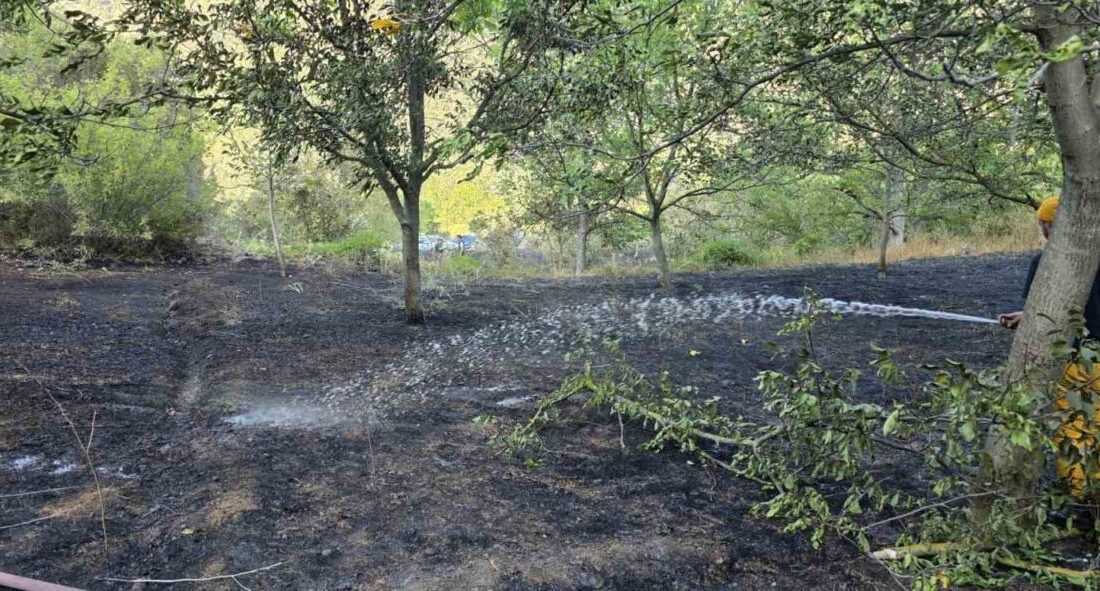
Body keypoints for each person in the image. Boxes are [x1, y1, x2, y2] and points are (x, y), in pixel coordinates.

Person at [998, 195, 1100, 496]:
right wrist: (1024, 317)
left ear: (1047, 225)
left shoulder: (1047, 263)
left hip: (1077, 362)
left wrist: (1027, 320)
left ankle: (1083, 499)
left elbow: (1047, 312)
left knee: (1075, 429)